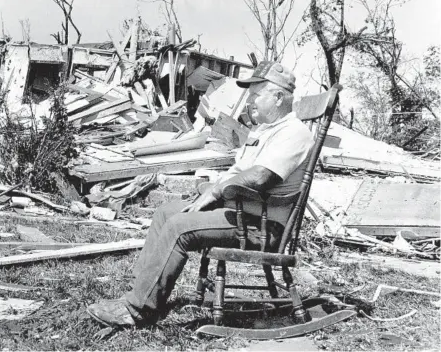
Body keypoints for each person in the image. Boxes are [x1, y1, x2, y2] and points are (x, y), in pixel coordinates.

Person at [87, 61, 315, 327]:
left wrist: (217, 191)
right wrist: (210, 187)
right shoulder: (265, 131)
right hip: (242, 212)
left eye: (257, 94)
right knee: (165, 213)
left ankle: (138, 310)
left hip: (261, 226)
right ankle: (137, 293)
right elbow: (240, 172)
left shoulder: (294, 133)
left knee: (179, 227)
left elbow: (260, 178)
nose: (251, 100)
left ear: (278, 97)